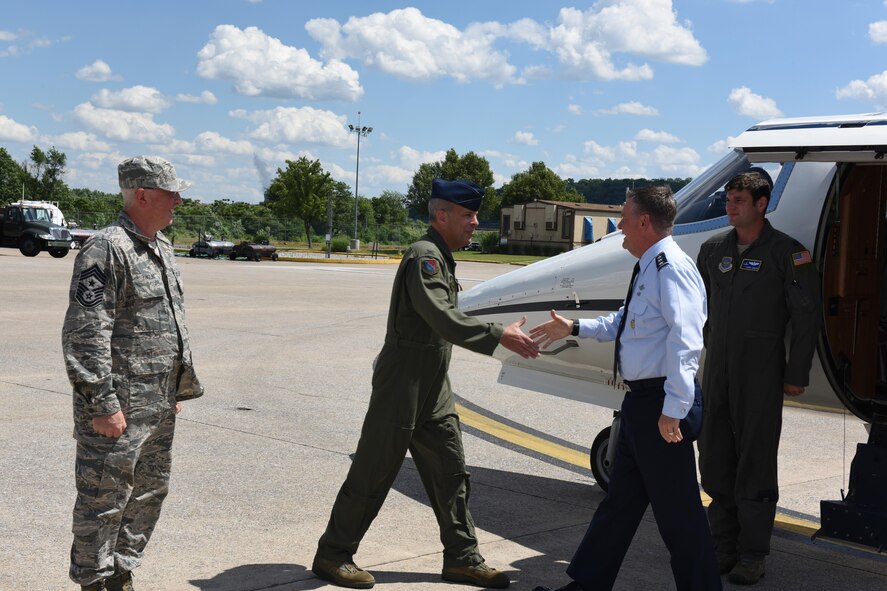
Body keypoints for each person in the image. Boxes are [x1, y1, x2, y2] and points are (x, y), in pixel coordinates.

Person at [312, 178, 540, 589]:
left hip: (433, 384)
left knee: (450, 471)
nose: (475, 222)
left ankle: (462, 558)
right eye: (468, 215)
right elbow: (442, 317)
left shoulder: (442, 257)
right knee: (374, 471)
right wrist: (497, 335)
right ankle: (333, 554)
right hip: (404, 382)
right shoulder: (425, 257)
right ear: (442, 215)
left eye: (474, 215)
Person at [528, 186, 721, 591]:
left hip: (660, 407)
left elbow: (687, 342)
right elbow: (625, 322)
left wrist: (675, 408)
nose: (620, 227)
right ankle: (586, 587)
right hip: (640, 405)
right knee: (618, 507)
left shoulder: (672, 268)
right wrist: (575, 326)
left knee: (681, 518)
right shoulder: (649, 265)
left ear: (645, 222)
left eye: (625, 218)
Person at [63, 156, 204, 591]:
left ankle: (121, 572)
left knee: (147, 494)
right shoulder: (105, 248)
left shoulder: (161, 247)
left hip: (158, 403)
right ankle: (93, 581)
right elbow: (86, 332)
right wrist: (102, 404)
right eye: (170, 192)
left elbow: (163, 325)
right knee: (103, 500)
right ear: (142, 195)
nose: (178, 200)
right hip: (118, 406)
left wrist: (173, 387)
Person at [696, 170, 820, 585]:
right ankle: (723, 545)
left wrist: (795, 373)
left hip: (761, 375)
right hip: (717, 374)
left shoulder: (789, 253)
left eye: (739, 202)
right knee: (714, 460)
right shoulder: (713, 249)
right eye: (728, 201)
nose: (730, 208)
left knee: (755, 463)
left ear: (762, 203)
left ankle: (752, 553)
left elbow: (805, 318)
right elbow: (700, 312)